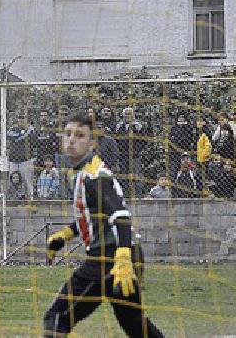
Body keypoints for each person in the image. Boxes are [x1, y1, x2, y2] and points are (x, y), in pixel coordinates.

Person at [43, 113, 164, 338]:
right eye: (67, 134)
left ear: (93, 143)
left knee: (56, 317)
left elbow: (119, 214)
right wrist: (64, 235)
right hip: (120, 252)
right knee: (134, 324)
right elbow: (94, 217)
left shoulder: (93, 176)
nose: (71, 140)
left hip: (112, 256)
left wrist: (123, 256)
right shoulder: (80, 172)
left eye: (80, 136)